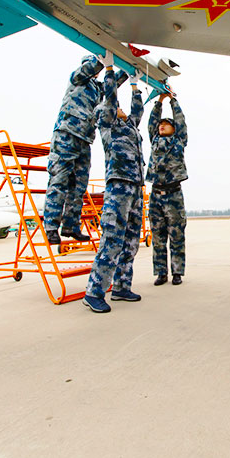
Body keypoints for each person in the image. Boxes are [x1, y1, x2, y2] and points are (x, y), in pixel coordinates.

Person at [83, 55, 145, 313]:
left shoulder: (129, 126)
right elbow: (109, 98)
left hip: (136, 186)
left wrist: (134, 85)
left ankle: (121, 287)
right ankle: (94, 292)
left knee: (131, 240)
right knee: (112, 238)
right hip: (118, 186)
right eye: (117, 107)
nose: (121, 109)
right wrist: (109, 69)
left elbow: (138, 111)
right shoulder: (108, 125)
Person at [43, 55, 105, 245]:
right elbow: (91, 68)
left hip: (85, 139)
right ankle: (51, 227)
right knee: (59, 180)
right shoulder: (77, 79)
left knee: (79, 186)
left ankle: (71, 226)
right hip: (66, 134)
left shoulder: (97, 89)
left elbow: (113, 83)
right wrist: (104, 56)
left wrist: (129, 70)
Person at [146, 93, 188, 286]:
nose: (161, 125)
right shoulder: (154, 139)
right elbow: (152, 122)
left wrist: (173, 101)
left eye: (166, 124)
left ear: (174, 128)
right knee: (158, 236)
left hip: (173, 194)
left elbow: (180, 120)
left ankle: (177, 272)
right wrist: (159, 101)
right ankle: (161, 273)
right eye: (160, 124)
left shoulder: (179, 140)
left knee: (177, 234)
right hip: (156, 194)